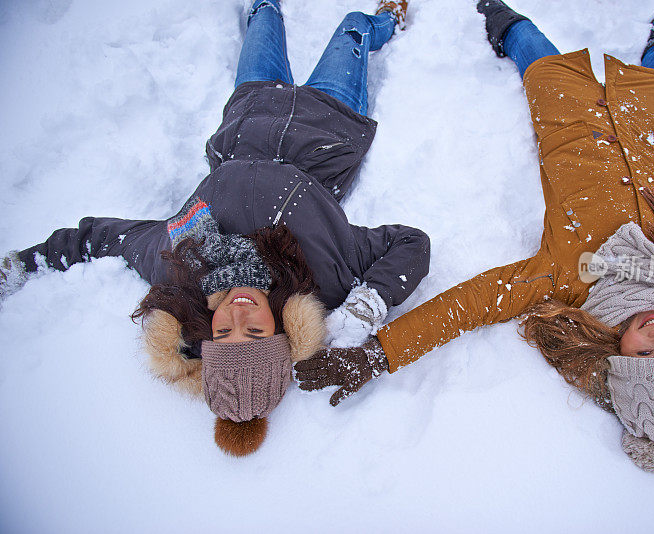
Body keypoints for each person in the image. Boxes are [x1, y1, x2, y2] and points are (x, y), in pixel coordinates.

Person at [296, 0, 654, 473]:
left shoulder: (570, 281)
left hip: (568, 118)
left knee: (530, 44)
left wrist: (381, 352)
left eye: (645, 354)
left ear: (614, 353)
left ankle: (493, 12)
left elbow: (475, 301)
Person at [0, 0, 430, 457]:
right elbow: (411, 244)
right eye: (257, 333)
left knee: (264, 15)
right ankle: (388, 17)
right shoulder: (326, 277)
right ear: (284, 331)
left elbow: (100, 238)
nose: (238, 316)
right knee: (353, 27)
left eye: (224, 334)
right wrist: (369, 302)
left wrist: (21, 267)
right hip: (328, 119)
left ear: (207, 332)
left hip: (250, 109)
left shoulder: (181, 261)